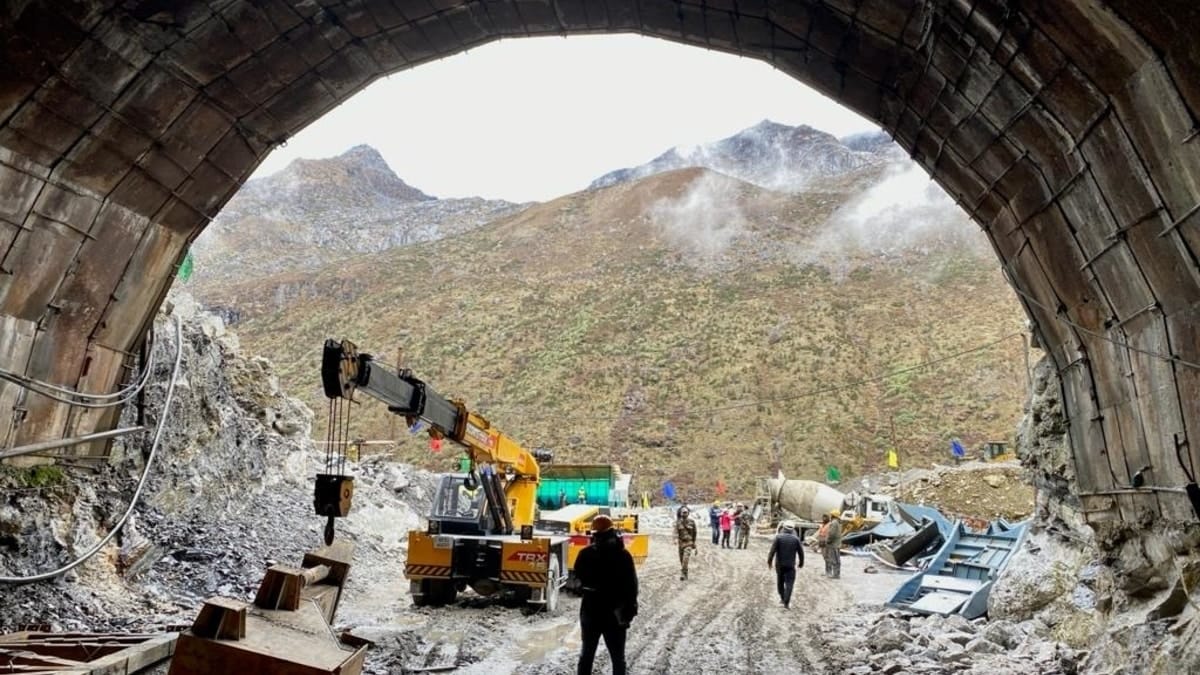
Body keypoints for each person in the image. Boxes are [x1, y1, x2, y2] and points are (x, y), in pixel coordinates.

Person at [575, 515, 638, 675]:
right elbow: (631, 586)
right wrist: (629, 610)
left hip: (591, 612)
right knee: (618, 658)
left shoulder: (586, 554)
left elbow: (578, 581)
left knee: (587, 656)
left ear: (594, 534)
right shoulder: (623, 556)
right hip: (615, 613)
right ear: (612, 532)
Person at [767, 521, 804, 608]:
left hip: (779, 565)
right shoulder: (796, 539)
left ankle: (782, 598)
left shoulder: (778, 537)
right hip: (790, 565)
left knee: (780, 582)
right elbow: (801, 553)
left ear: (783, 528)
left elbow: (772, 551)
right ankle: (786, 602)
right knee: (789, 583)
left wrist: (769, 562)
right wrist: (801, 563)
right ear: (793, 529)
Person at [674, 506, 697, 580]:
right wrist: (675, 539)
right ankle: (685, 573)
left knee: (685, 559)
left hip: (689, 543)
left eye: (686, 512)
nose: (685, 513)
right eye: (683, 512)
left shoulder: (692, 522)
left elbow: (695, 533)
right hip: (681, 544)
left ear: (688, 513)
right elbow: (675, 532)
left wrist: (693, 543)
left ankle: (683, 574)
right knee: (681, 560)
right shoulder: (678, 522)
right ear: (680, 513)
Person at [825, 510, 843, 579]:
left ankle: (836, 575)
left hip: (833, 544)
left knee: (834, 560)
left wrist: (828, 541)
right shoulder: (838, 522)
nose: (830, 516)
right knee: (837, 560)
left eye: (831, 515)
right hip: (837, 544)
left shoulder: (834, 523)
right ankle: (837, 573)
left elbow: (831, 534)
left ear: (833, 515)